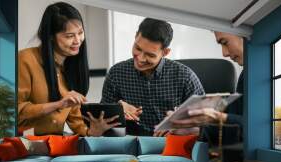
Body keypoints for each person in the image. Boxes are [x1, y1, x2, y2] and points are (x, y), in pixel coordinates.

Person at [18, 2, 120, 136]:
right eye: (69, 36)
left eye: (80, 33)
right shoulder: (25, 59)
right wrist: (58, 104)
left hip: (54, 146)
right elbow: (16, 110)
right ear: (50, 37)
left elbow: (76, 121)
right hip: (25, 145)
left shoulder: (71, 67)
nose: (78, 40)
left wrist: (92, 131)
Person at [101, 18, 205, 136]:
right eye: (138, 49)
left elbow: (205, 124)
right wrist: (117, 108)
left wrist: (179, 128)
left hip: (172, 144)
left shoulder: (185, 77)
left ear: (165, 52)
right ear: (135, 37)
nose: (140, 59)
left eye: (150, 55)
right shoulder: (116, 73)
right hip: (131, 143)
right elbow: (100, 117)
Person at [166, 31, 244, 160]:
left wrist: (217, 117)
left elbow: (258, 130)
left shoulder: (263, 74)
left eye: (225, 43)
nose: (224, 53)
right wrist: (194, 129)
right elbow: (236, 130)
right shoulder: (245, 75)